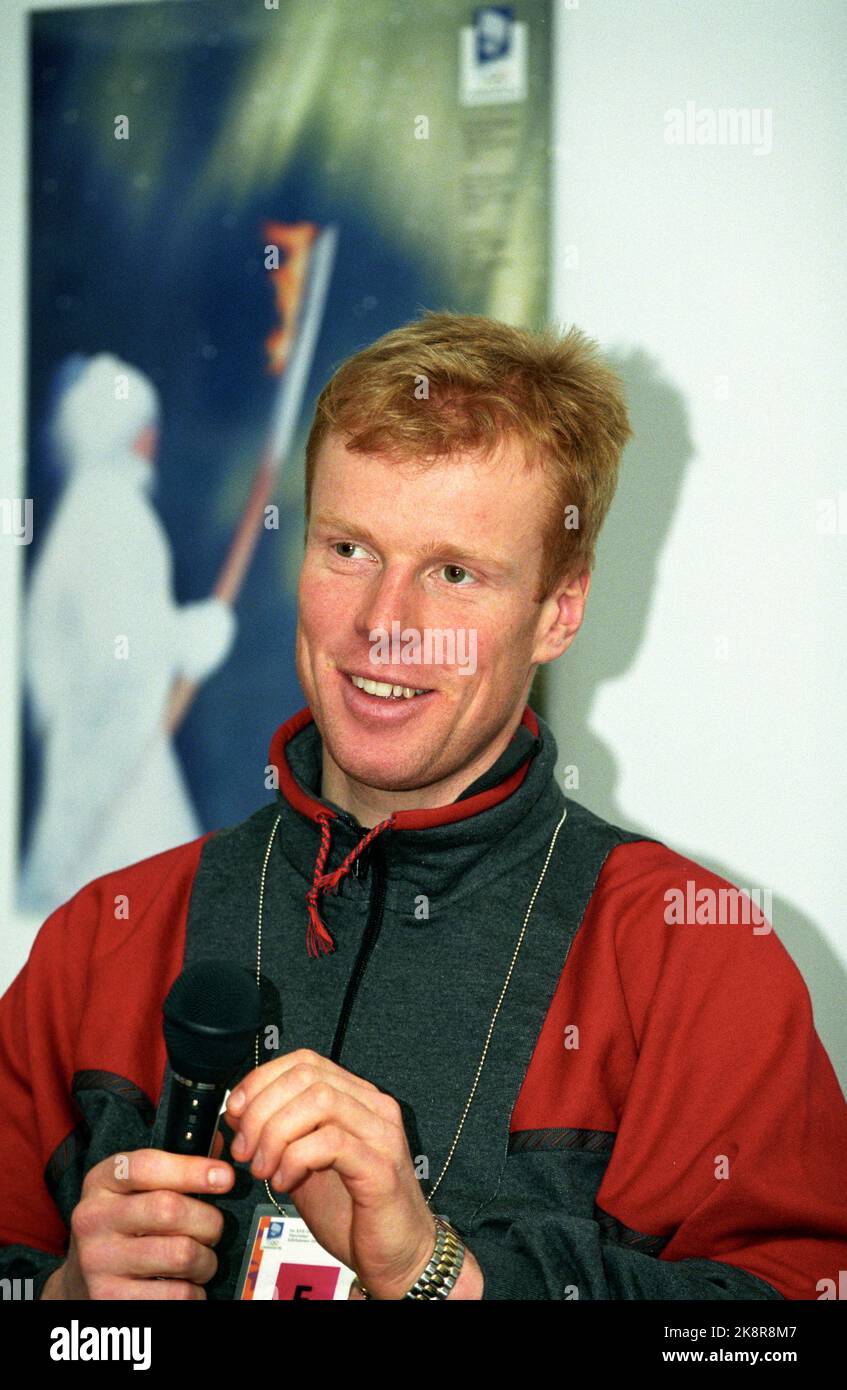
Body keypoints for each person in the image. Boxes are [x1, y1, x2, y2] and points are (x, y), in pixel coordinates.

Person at [1, 312, 845, 1301]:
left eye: (453, 572)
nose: (384, 627)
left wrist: (443, 1275)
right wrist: (62, 1304)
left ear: (558, 613)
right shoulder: (104, 940)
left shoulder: (687, 957)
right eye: (350, 549)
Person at [19, 353, 236, 915]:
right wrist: (193, 640)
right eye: (145, 424)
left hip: (119, 746)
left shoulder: (92, 508)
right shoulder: (110, 513)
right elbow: (121, 650)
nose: (152, 437)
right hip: (112, 754)